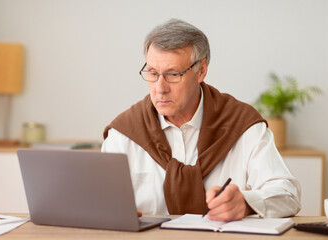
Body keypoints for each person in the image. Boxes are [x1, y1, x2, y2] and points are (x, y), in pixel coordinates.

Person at [102, 19, 300, 222]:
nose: (160, 88)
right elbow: (100, 202)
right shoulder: (123, 134)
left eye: (173, 74)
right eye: (153, 73)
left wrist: (247, 203)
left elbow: (288, 194)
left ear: (201, 70)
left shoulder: (242, 124)